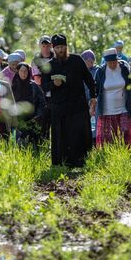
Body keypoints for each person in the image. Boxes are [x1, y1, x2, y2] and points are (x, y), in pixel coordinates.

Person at [41, 34, 96, 167]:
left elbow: (89, 79)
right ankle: (62, 163)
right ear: (54, 49)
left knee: (78, 133)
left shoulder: (77, 60)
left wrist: (93, 96)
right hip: (59, 107)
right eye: (58, 47)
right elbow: (44, 86)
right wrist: (54, 84)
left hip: (78, 105)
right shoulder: (49, 66)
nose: (60, 50)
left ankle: (81, 162)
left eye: (62, 47)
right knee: (61, 135)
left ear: (66, 47)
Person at [94, 48, 131, 146]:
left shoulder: (124, 69)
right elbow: (96, 90)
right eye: (109, 62)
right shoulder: (101, 71)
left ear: (117, 60)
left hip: (123, 109)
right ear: (106, 62)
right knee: (106, 141)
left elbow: (130, 87)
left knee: (125, 137)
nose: (112, 64)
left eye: (114, 62)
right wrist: (93, 105)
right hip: (106, 111)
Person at [12, 63, 46, 147]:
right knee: (20, 144)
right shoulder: (13, 86)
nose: (24, 73)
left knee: (34, 143)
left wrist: (38, 115)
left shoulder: (34, 86)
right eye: (21, 71)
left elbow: (42, 102)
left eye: (26, 71)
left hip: (33, 119)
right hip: (19, 119)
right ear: (18, 72)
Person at [31, 35, 55, 135]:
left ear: (51, 46)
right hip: (42, 95)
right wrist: (53, 81)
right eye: (43, 46)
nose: (45, 48)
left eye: (47, 46)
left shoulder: (56, 57)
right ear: (40, 46)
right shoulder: (36, 61)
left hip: (55, 95)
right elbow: (38, 80)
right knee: (43, 125)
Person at [81, 49, 100, 140]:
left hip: (94, 101)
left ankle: (95, 139)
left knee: (95, 122)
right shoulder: (79, 71)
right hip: (83, 101)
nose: (90, 63)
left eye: (91, 61)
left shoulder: (97, 70)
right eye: (87, 61)